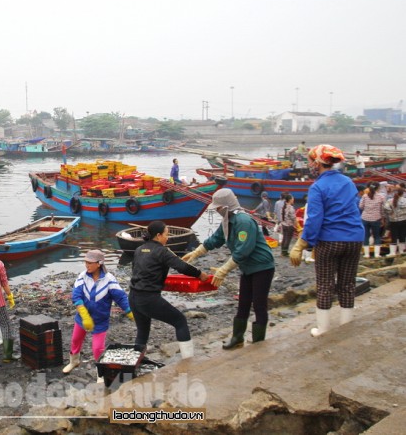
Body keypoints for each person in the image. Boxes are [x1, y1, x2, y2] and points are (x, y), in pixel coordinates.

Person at [184, 189, 275, 349]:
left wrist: (224, 269)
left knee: (259, 304)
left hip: (262, 267)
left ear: (226, 206)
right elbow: (216, 239)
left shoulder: (244, 221)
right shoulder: (228, 220)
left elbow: (243, 250)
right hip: (247, 268)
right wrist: (197, 251)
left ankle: (259, 341)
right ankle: (238, 337)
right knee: (243, 302)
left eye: (218, 207)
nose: (217, 211)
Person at [290, 144, 364, 337]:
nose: (309, 165)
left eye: (310, 161)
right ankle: (346, 326)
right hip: (354, 240)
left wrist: (300, 245)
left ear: (318, 163)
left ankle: (323, 330)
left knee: (325, 285)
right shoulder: (348, 182)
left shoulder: (317, 187)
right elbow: (356, 209)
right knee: (347, 284)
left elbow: (314, 220)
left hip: (330, 241)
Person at [128, 221, 209, 359]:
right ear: (158, 235)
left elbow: (139, 272)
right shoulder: (162, 251)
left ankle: (136, 363)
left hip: (133, 297)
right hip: (149, 299)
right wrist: (200, 274)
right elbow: (182, 267)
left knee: (142, 331)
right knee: (180, 321)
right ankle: (188, 360)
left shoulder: (139, 249)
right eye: (166, 234)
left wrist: (160, 282)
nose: (168, 237)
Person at [62, 250, 134, 383]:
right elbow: (76, 296)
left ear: (99, 264)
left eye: (90, 263)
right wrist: (84, 314)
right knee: (75, 340)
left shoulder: (109, 279)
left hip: (100, 320)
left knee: (97, 348)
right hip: (82, 318)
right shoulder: (82, 276)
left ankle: (100, 372)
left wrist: (130, 311)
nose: (87, 265)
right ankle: (74, 361)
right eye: (86, 262)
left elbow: (121, 297)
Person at [359, 183, 386, 258]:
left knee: (366, 235)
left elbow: (360, 206)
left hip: (365, 218)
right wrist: (383, 218)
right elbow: (383, 209)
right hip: (376, 218)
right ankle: (377, 254)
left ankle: (366, 254)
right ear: (378, 188)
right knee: (377, 236)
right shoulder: (381, 196)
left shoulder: (365, 196)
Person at [384, 187, 406, 256]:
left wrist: (391, 213)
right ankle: (401, 251)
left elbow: (386, 208)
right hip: (403, 220)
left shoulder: (389, 201)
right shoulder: (405, 200)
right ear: (402, 193)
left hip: (393, 221)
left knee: (394, 236)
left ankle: (392, 252)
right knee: (402, 235)